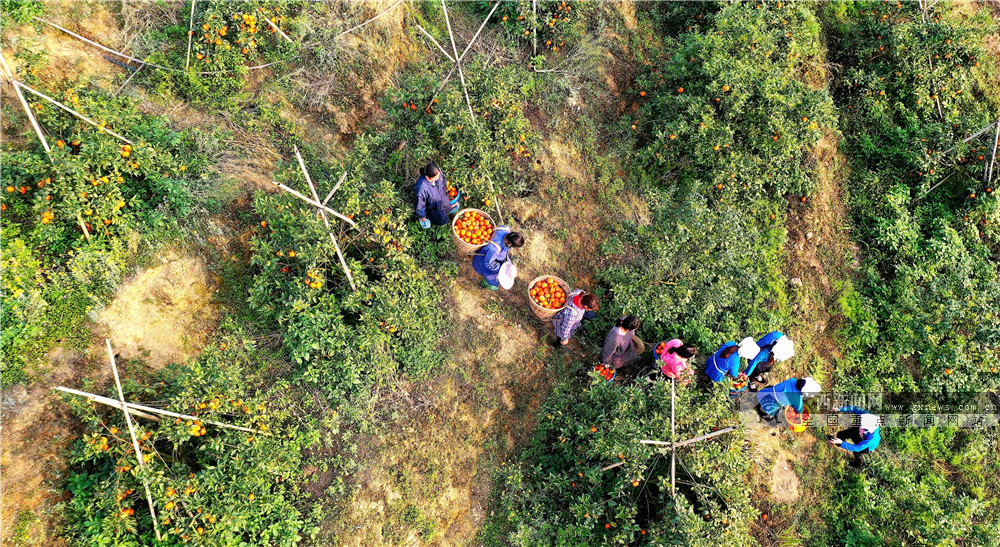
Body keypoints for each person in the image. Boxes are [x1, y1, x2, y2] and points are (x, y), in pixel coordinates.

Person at [755, 377, 821, 421]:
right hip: (763, 409)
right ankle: (763, 414)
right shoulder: (798, 400)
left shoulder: (792, 380)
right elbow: (799, 411)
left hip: (759, 395)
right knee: (776, 417)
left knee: (773, 388)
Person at [415, 163, 451, 228]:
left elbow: (443, 180)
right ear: (428, 177)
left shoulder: (437, 171)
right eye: (436, 178)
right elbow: (420, 204)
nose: (438, 178)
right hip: (435, 207)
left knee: (447, 208)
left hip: (443, 197)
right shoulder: (421, 188)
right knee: (441, 218)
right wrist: (422, 217)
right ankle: (442, 225)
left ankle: (447, 213)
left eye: (438, 175)